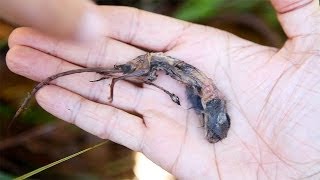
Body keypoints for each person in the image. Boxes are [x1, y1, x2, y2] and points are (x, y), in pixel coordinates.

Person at [4, 0, 320, 179]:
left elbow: (197, 90)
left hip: (175, 72)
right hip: (166, 67)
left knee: (119, 73)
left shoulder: (203, 94)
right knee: (112, 71)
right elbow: (185, 85)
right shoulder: (176, 78)